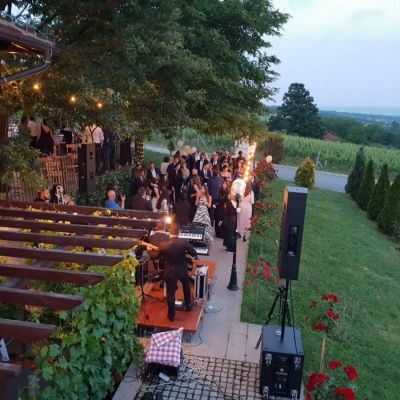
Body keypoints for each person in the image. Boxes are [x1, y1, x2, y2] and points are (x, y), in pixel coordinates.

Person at [155, 223, 198, 321]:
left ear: (168, 232)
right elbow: (194, 253)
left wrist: (149, 251)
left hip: (169, 272)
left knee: (170, 293)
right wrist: (185, 254)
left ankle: (171, 316)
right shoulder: (183, 242)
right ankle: (188, 305)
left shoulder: (163, 244)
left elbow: (156, 256)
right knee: (186, 285)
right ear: (179, 232)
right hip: (182, 270)